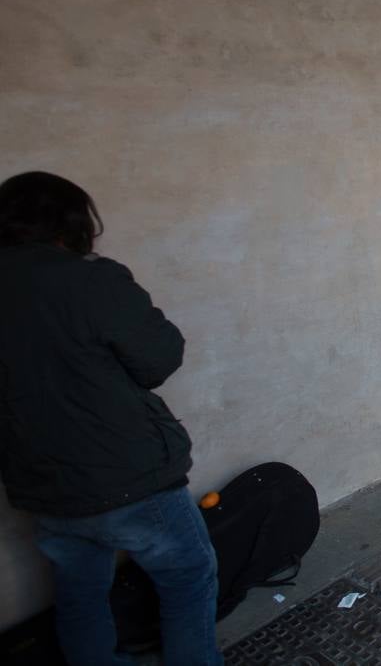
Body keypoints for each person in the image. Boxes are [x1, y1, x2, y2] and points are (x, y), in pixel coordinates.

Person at [0, 172, 222, 665]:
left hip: (43, 486)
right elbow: (159, 359)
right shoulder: (89, 278)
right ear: (73, 222)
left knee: (80, 594)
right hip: (129, 477)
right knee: (188, 579)